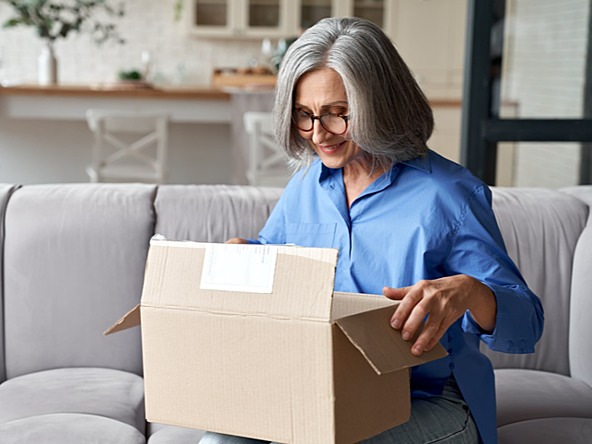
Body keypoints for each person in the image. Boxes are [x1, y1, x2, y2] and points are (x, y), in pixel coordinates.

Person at [202, 17, 544, 444]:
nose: (318, 134)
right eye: (304, 116)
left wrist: (471, 291)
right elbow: (279, 258)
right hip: (326, 386)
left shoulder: (449, 195)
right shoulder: (308, 183)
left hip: (430, 399)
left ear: (380, 104)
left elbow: (527, 324)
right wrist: (246, 254)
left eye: (337, 115)